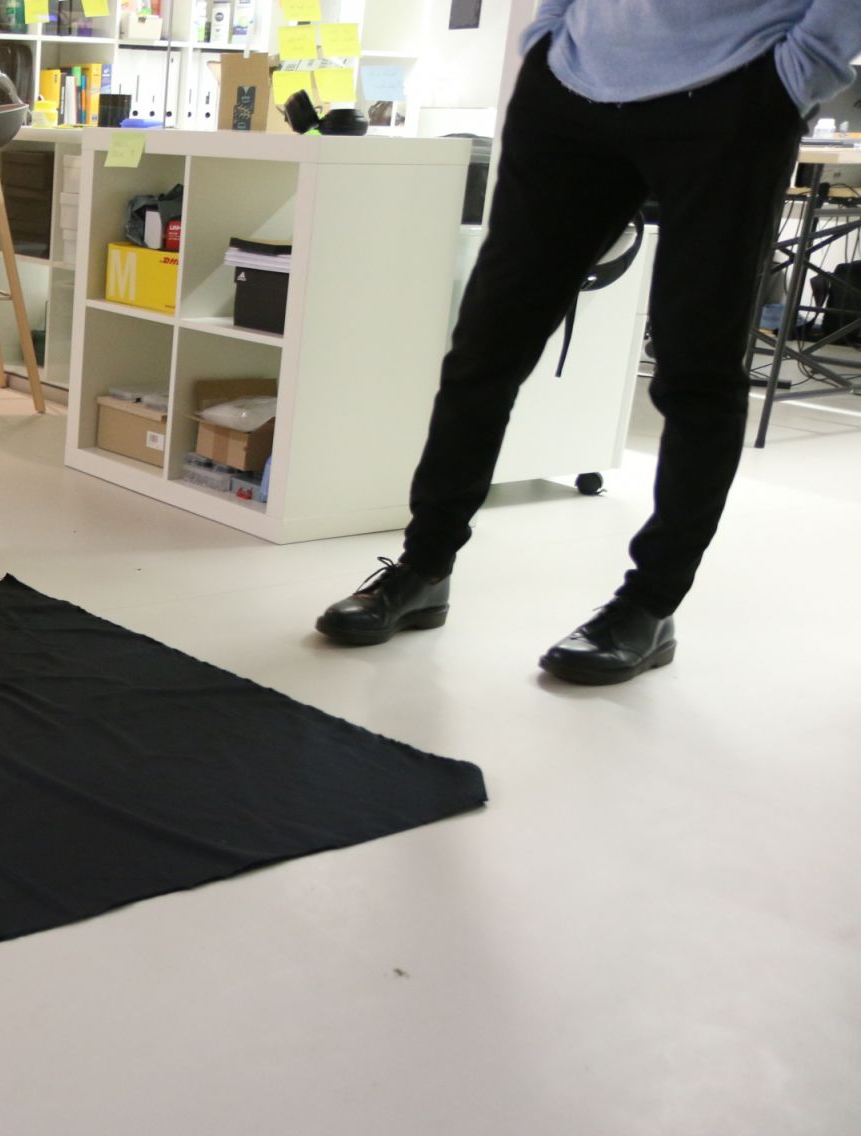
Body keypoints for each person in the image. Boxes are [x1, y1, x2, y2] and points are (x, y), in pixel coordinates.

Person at [316, 0, 861, 685]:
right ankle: (423, 568)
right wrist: (548, 39)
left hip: (735, 88)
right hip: (571, 86)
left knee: (695, 369)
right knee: (486, 346)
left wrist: (800, 70)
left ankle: (649, 606)